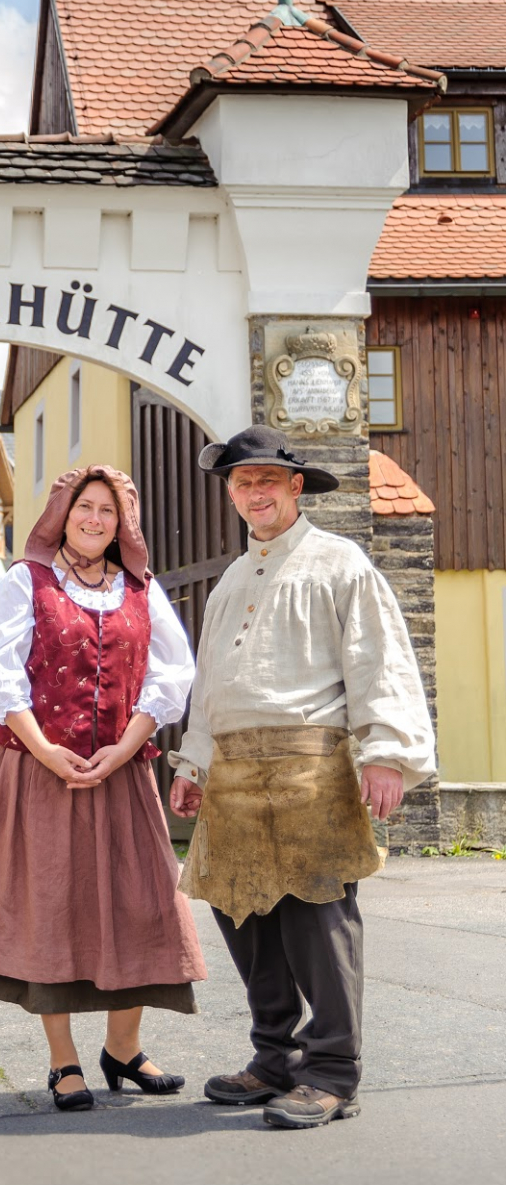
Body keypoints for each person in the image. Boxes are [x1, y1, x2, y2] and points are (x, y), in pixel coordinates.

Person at [168, 425, 436, 1130]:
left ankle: (332, 1071)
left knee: (319, 920)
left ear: (294, 486)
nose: (253, 492)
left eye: (265, 480)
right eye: (240, 482)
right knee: (242, 916)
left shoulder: (339, 562)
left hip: (309, 764)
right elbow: (211, 682)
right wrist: (194, 761)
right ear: (231, 493)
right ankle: (274, 1058)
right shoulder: (231, 578)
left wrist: (386, 750)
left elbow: (379, 656)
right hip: (232, 773)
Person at [0, 464, 206, 1111]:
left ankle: (123, 1047)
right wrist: (46, 750)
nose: (95, 519)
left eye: (109, 511)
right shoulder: (23, 582)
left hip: (121, 776)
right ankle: (63, 1061)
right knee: (52, 908)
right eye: (84, 507)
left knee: (145, 903)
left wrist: (125, 748)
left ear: (125, 524)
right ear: (61, 514)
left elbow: (171, 674)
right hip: (40, 772)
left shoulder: (141, 591)